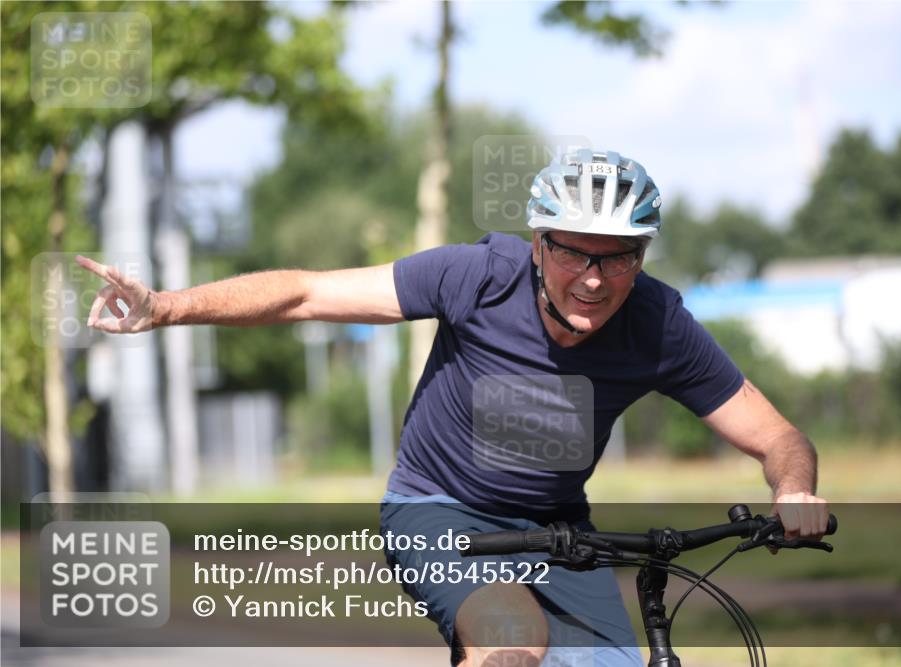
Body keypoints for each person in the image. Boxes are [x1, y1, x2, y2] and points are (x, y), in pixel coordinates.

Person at [80, 148, 829, 667]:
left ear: (641, 256)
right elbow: (308, 291)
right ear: (539, 247)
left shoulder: (659, 324)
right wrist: (165, 306)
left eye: (619, 256)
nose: (595, 279)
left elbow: (776, 435)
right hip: (439, 509)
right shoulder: (476, 276)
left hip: (559, 529)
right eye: (574, 251)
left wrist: (793, 487)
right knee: (512, 639)